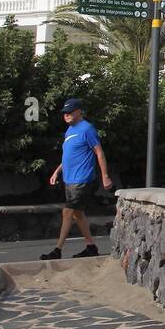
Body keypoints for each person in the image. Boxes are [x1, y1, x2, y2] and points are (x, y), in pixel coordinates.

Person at [41, 98, 113, 260]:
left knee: (68, 211)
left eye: (70, 112)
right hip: (69, 179)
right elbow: (68, 156)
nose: (66, 115)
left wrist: (105, 176)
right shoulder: (69, 131)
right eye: (64, 113)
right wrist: (57, 171)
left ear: (79, 111)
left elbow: (99, 152)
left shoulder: (87, 129)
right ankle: (91, 246)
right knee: (77, 214)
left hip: (82, 178)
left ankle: (57, 250)